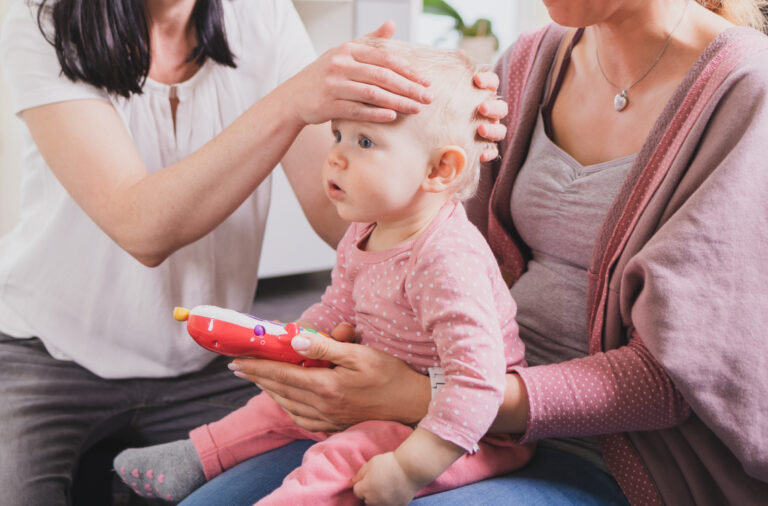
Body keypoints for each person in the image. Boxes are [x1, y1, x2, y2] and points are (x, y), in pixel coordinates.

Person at [180, 0, 768, 505]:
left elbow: (671, 382)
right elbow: (441, 258)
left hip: (619, 453)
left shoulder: (747, 91)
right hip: (448, 405)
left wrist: (422, 395)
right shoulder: (530, 62)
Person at [0, 0, 506, 504]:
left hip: (205, 359)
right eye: (337, 137)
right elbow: (142, 230)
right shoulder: (41, 19)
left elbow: (342, 218)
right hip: (50, 354)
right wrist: (293, 103)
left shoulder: (260, 15)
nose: (337, 150)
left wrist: (423, 147)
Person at [113, 39, 535, 505]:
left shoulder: (446, 259)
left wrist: (410, 468)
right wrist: (296, 341)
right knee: (277, 407)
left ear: (440, 169)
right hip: (381, 395)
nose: (335, 155)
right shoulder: (364, 230)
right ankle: (196, 458)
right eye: (338, 134)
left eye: (365, 142)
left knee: (342, 456)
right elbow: (339, 302)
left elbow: (478, 386)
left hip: (462, 433)